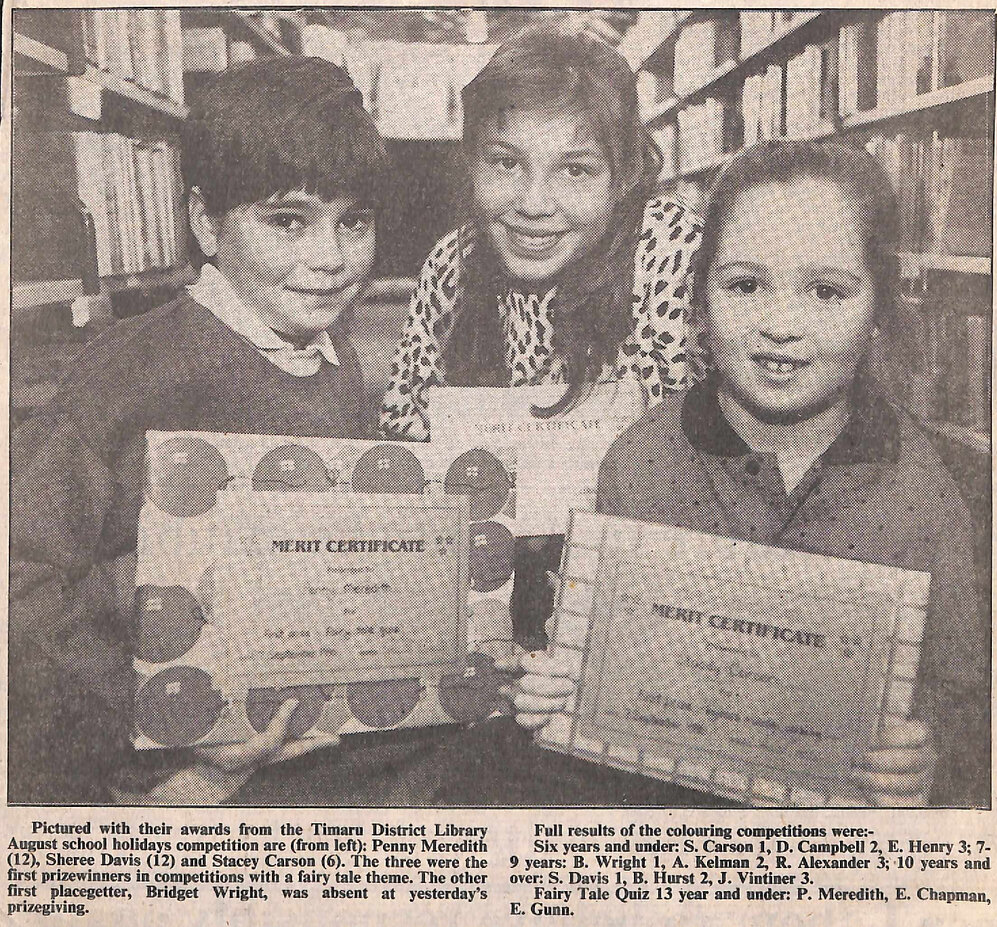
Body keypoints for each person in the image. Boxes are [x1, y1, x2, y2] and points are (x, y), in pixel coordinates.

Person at [511, 140, 989, 808]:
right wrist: (561, 691)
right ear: (699, 305)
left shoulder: (942, 488)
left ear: (880, 309)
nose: (780, 324)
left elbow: (970, 698)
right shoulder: (640, 463)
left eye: (826, 290)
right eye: (744, 285)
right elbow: (609, 678)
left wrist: (929, 753)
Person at [9, 56, 389, 804]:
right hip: (152, 776)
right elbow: (18, 582)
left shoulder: (340, 358)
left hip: (291, 736)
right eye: (287, 220)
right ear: (204, 224)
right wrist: (157, 722)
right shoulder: (126, 372)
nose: (331, 258)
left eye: (354, 221)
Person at [380, 26, 704, 649]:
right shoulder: (454, 262)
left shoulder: (675, 253)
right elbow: (406, 438)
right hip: (484, 600)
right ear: (470, 163)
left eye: (575, 171)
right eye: (505, 164)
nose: (533, 203)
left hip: (650, 609)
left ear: (625, 174)